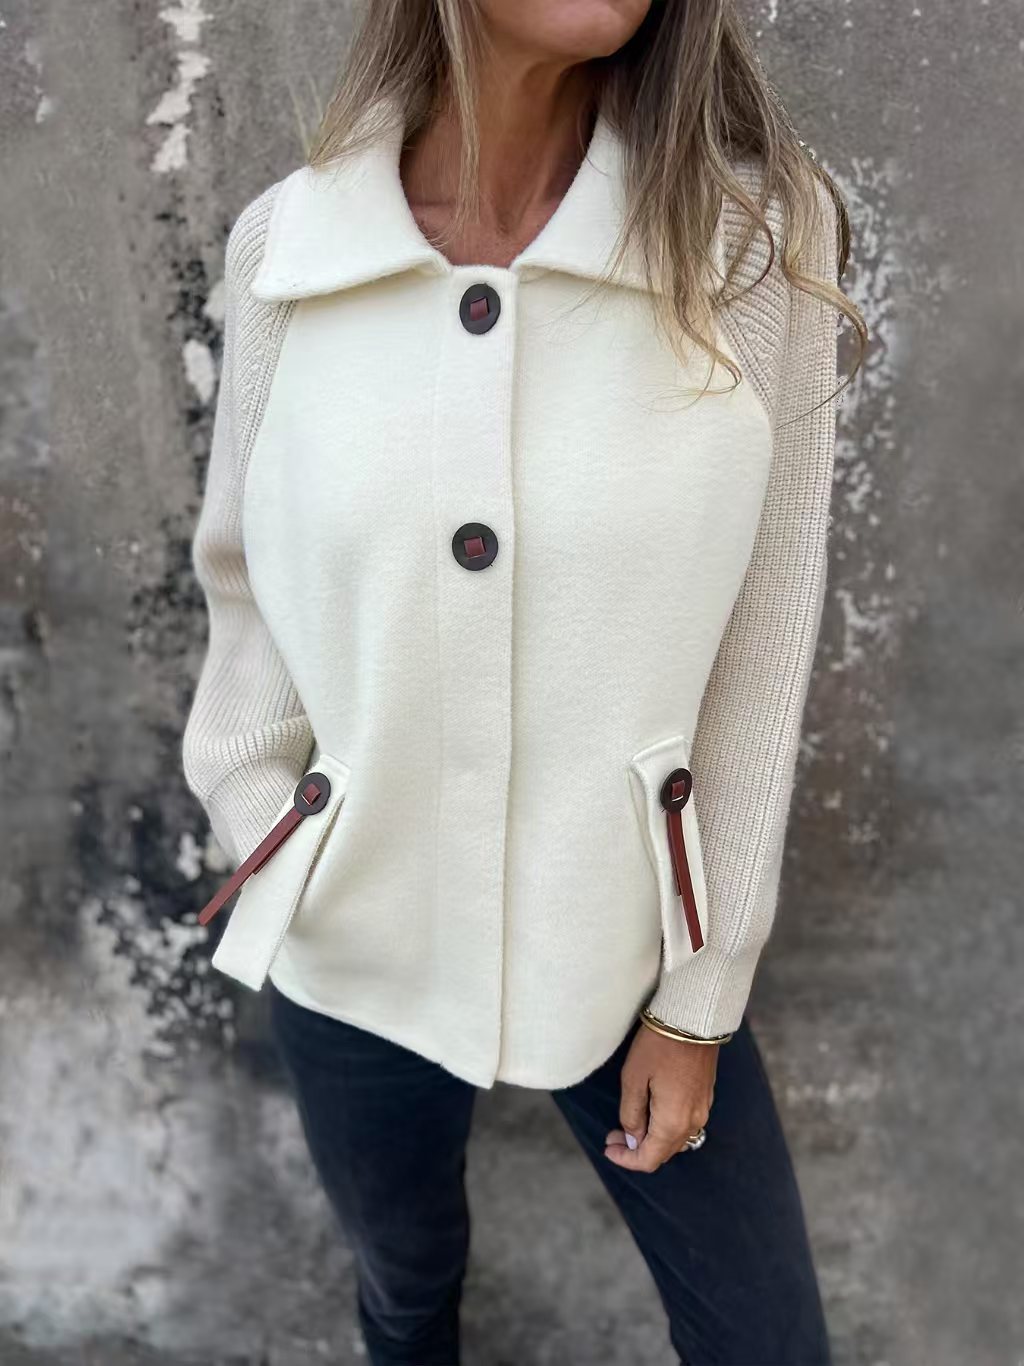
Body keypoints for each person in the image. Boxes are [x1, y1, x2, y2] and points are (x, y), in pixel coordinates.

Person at [181, 1, 866, 1361]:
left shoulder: (749, 239)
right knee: (405, 1290)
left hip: (622, 944)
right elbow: (244, 578)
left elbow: (765, 633)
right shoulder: (291, 246)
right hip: (351, 933)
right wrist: (267, 827)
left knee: (766, 1340)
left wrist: (699, 994)